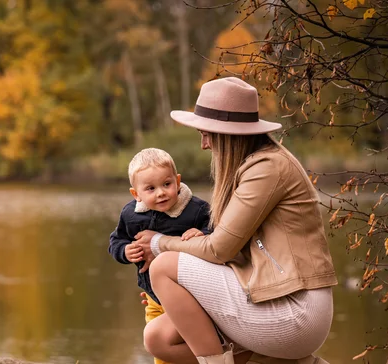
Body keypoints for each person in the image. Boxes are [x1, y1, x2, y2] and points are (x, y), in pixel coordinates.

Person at [133, 77, 337, 364]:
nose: (204, 144)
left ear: (226, 133)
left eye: (206, 134)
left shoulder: (268, 168)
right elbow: (229, 247)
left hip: (296, 309)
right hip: (268, 293)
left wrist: (159, 242)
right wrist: (174, 296)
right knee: (158, 337)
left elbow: (219, 250)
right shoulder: (254, 165)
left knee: (165, 265)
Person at [108, 148, 212, 364]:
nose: (161, 193)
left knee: (194, 342)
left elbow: (219, 236)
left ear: (178, 181)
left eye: (167, 184)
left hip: (192, 297)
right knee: (162, 353)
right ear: (136, 194)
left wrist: (203, 233)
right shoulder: (130, 215)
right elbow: (116, 241)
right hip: (155, 299)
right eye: (150, 188)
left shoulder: (197, 210)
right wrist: (125, 251)